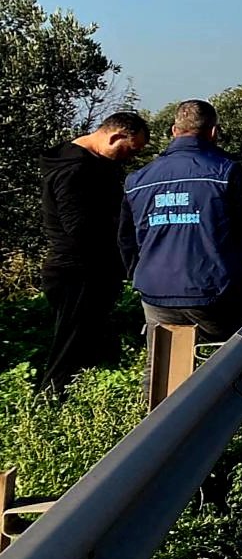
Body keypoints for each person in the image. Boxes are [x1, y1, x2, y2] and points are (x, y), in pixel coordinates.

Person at [120, 100, 242, 345]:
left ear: (174, 130)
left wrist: (137, 273)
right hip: (213, 289)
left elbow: (126, 239)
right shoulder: (225, 172)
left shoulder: (137, 179)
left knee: (164, 361)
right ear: (213, 132)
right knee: (235, 355)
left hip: (155, 291)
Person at [37, 112, 150, 392]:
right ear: (115, 136)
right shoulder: (75, 170)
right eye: (130, 150)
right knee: (70, 347)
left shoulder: (92, 164)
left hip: (89, 269)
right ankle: (51, 397)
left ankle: (89, 394)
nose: (130, 158)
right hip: (77, 271)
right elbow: (79, 227)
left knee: (91, 343)